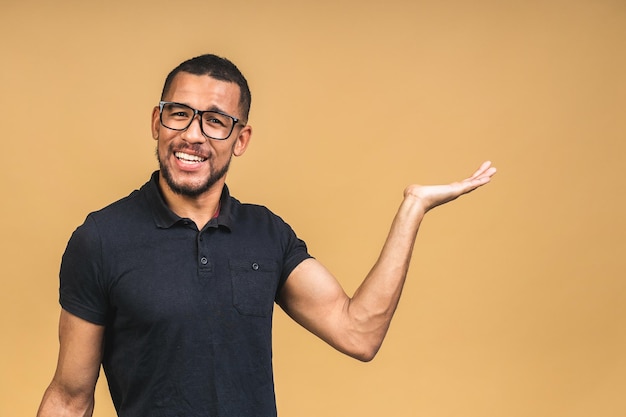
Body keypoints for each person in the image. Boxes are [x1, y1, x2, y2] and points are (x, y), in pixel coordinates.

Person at [37, 54, 496, 417]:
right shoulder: (101, 239)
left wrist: (413, 209)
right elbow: (70, 398)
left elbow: (359, 333)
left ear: (241, 139)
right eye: (179, 114)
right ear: (157, 123)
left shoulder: (266, 233)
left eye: (215, 121)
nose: (193, 135)